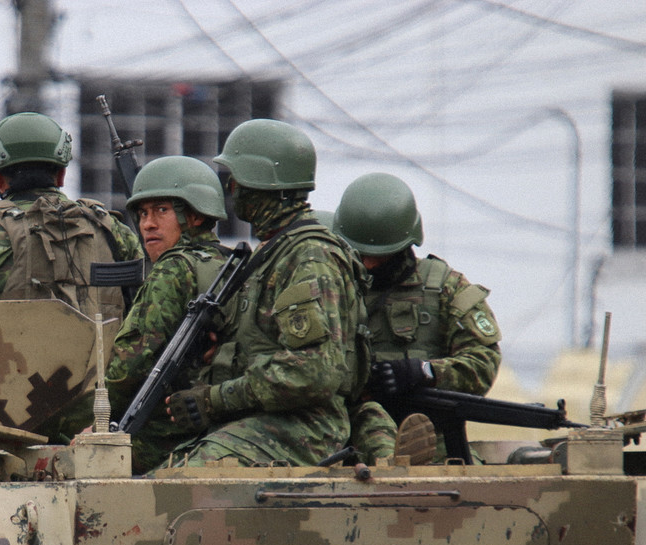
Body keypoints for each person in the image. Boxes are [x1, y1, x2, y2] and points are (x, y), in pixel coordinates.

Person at [164, 119, 371, 468]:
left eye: (238, 178)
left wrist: (216, 399)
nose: (231, 188)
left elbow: (313, 371)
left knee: (179, 485)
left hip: (303, 430)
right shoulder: (272, 253)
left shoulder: (308, 257)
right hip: (263, 421)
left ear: (260, 184)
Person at [332, 172, 502, 460]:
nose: (369, 264)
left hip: (429, 441)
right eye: (361, 254)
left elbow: (483, 363)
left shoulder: (445, 288)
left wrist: (423, 372)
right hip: (346, 438)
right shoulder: (333, 288)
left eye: (381, 255)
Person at [0, 112, 142, 321]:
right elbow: (146, 312)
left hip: (2, 360)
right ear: (62, 175)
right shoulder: (112, 230)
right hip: (104, 361)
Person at [103, 156, 230, 473]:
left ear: (195, 214)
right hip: (218, 429)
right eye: (143, 213)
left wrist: (86, 422)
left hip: (164, 436)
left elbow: (126, 368)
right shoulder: (230, 265)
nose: (147, 224)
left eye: (162, 210)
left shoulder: (174, 269)